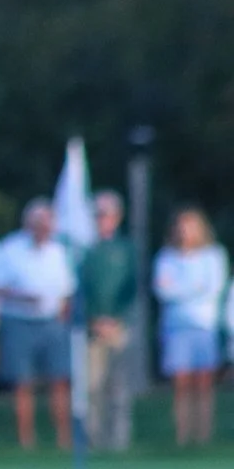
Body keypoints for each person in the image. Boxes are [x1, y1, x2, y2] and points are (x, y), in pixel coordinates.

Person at [0, 198, 77, 451]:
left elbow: (68, 290)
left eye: (45, 223)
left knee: (59, 380)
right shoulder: (10, 248)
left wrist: (64, 311)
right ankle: (26, 441)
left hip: (52, 323)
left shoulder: (60, 251)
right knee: (22, 382)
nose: (41, 227)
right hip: (19, 321)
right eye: (36, 222)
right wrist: (20, 295)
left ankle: (63, 440)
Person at [153, 206, 227, 448]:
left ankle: (204, 437)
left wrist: (181, 289)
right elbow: (163, 290)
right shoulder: (166, 257)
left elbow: (213, 288)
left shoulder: (213, 256)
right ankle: (183, 438)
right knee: (181, 384)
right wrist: (192, 288)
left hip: (203, 326)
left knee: (204, 384)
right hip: (176, 327)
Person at [78, 190, 138, 451]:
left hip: (118, 327)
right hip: (90, 328)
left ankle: (119, 442)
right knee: (92, 387)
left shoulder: (126, 249)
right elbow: (79, 287)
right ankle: (94, 440)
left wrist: (116, 318)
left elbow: (132, 288)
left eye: (107, 214)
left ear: (117, 217)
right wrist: (92, 319)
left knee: (118, 386)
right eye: (98, 215)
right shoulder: (85, 249)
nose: (102, 219)